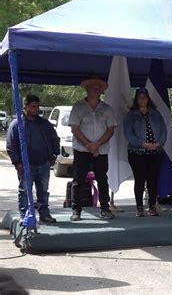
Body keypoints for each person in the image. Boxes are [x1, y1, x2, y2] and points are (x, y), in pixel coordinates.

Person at [69, 77, 117, 221]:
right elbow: (74, 129)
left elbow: (110, 130)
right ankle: (76, 210)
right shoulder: (78, 107)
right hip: (81, 150)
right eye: (93, 87)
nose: (96, 90)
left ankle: (105, 208)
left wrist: (97, 145)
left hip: (101, 150)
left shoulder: (107, 109)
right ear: (87, 90)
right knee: (78, 180)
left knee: (102, 180)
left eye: (98, 88)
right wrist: (89, 145)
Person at [6, 94, 60, 223]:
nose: (36, 109)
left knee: (43, 191)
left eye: (37, 106)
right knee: (25, 192)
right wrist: (17, 162)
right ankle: (24, 215)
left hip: (43, 164)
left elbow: (54, 139)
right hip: (25, 165)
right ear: (25, 107)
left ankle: (44, 214)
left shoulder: (45, 124)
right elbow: (11, 145)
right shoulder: (17, 125)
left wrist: (53, 155)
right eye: (33, 106)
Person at [123, 87, 167, 217]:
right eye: (140, 97)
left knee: (153, 180)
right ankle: (139, 208)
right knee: (140, 180)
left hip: (155, 152)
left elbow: (164, 131)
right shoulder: (131, 115)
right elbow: (128, 134)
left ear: (148, 99)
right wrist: (143, 144)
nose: (143, 100)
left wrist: (159, 143)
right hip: (137, 153)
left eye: (145, 97)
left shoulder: (156, 114)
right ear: (136, 100)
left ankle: (152, 206)